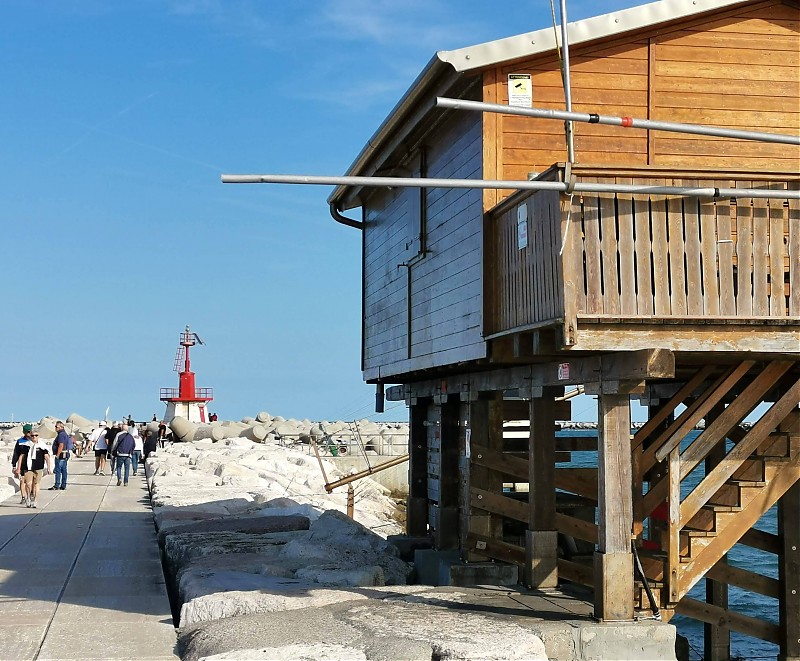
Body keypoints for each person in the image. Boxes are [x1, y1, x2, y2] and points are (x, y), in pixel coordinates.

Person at [16, 429, 52, 508]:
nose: (34, 437)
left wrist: (49, 467)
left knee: (36, 484)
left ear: (38, 436)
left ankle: (35, 500)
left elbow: (47, 457)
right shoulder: (26, 445)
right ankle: (28, 497)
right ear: (30, 436)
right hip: (28, 467)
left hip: (38, 467)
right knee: (28, 484)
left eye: (36, 435)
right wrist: (18, 468)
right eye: (32, 435)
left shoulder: (42, 446)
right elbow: (21, 456)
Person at [11, 424, 34, 504]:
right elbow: (16, 453)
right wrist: (14, 465)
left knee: (30, 482)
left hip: (32, 464)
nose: (30, 433)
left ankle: (31, 495)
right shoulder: (20, 441)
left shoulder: (34, 440)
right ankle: (23, 497)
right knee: (22, 480)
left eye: (30, 431)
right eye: (28, 432)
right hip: (22, 464)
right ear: (24, 432)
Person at [50, 420, 73, 491]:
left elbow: (61, 445)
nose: (55, 428)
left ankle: (57, 485)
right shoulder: (64, 434)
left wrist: (57, 454)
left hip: (61, 455)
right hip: (65, 454)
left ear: (61, 427)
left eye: (56, 427)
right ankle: (63, 485)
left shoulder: (61, 435)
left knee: (58, 470)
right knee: (64, 470)